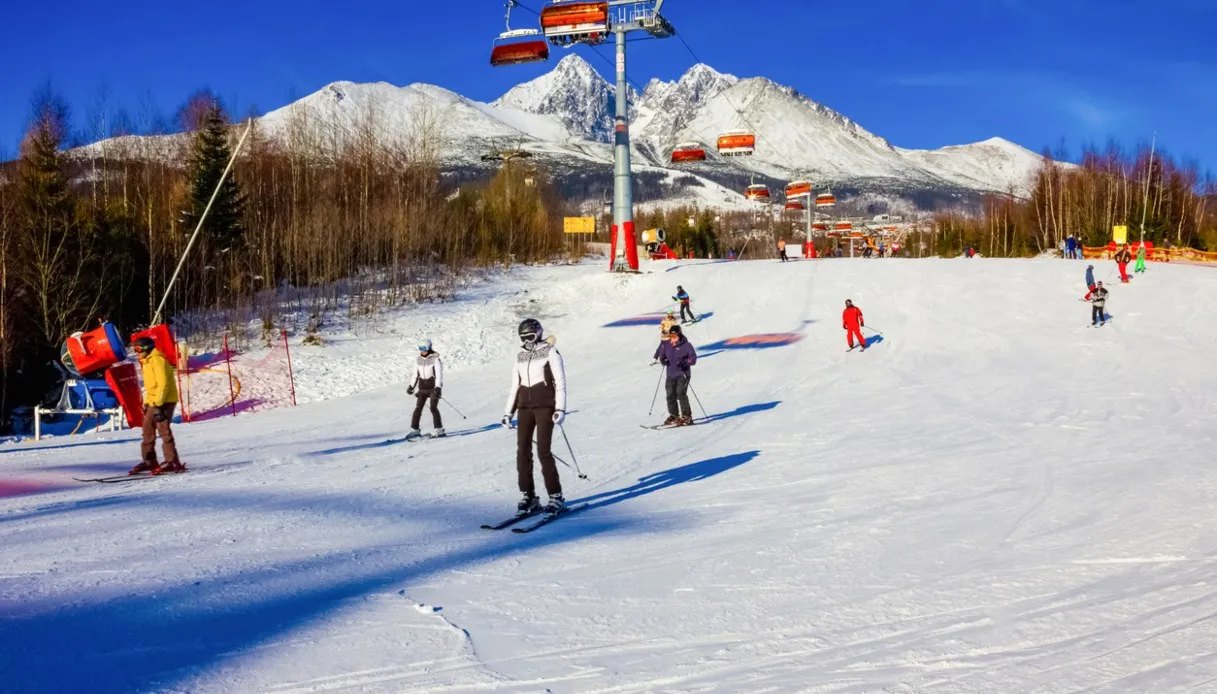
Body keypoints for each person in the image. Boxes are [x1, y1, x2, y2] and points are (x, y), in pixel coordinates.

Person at [502, 318, 567, 517]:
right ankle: (528, 496)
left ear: (538, 334)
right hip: (524, 408)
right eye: (523, 338)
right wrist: (508, 412)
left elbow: (560, 381)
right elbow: (515, 386)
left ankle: (556, 496)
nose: (527, 341)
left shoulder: (550, 351)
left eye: (530, 337)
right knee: (522, 451)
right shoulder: (520, 356)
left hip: (545, 406)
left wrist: (560, 408)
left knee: (543, 452)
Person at [128, 337, 185, 475]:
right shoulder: (146, 361)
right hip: (154, 401)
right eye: (134, 350)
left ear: (147, 348)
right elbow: (151, 386)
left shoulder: (158, 360)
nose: (136, 353)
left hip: (165, 400)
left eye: (138, 350)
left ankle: (172, 461)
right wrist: (148, 403)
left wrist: (158, 405)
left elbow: (163, 384)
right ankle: (149, 461)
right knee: (147, 430)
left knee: (163, 429)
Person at [653, 324, 698, 426]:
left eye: (674, 335)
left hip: (683, 374)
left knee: (680, 394)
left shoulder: (686, 345)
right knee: (670, 396)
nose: (672, 337)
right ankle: (674, 415)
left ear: (679, 334)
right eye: (671, 335)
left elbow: (693, 359)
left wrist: (685, 362)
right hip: (670, 374)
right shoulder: (667, 344)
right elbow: (662, 355)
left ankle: (687, 416)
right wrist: (663, 360)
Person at [406, 338, 444, 439]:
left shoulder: (435, 359)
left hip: (433, 388)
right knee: (418, 408)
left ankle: (439, 429)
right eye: (420, 348)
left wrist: (438, 387)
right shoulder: (418, 360)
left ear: (429, 347)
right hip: (422, 388)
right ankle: (415, 430)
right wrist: (411, 386)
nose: (422, 350)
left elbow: (439, 375)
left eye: (424, 348)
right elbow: (415, 374)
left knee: (433, 408)